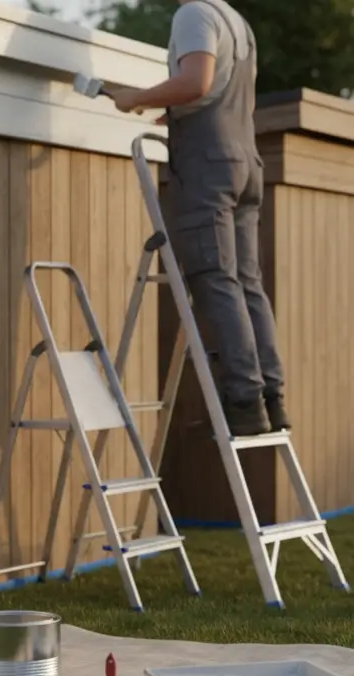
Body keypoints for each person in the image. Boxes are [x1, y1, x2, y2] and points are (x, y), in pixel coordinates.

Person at [109, 0, 288, 438]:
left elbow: (195, 81)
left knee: (216, 277)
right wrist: (169, 111)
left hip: (208, 167)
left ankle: (244, 400)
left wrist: (137, 96)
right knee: (247, 283)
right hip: (243, 160)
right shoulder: (237, 23)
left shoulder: (194, 14)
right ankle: (271, 399)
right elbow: (222, 97)